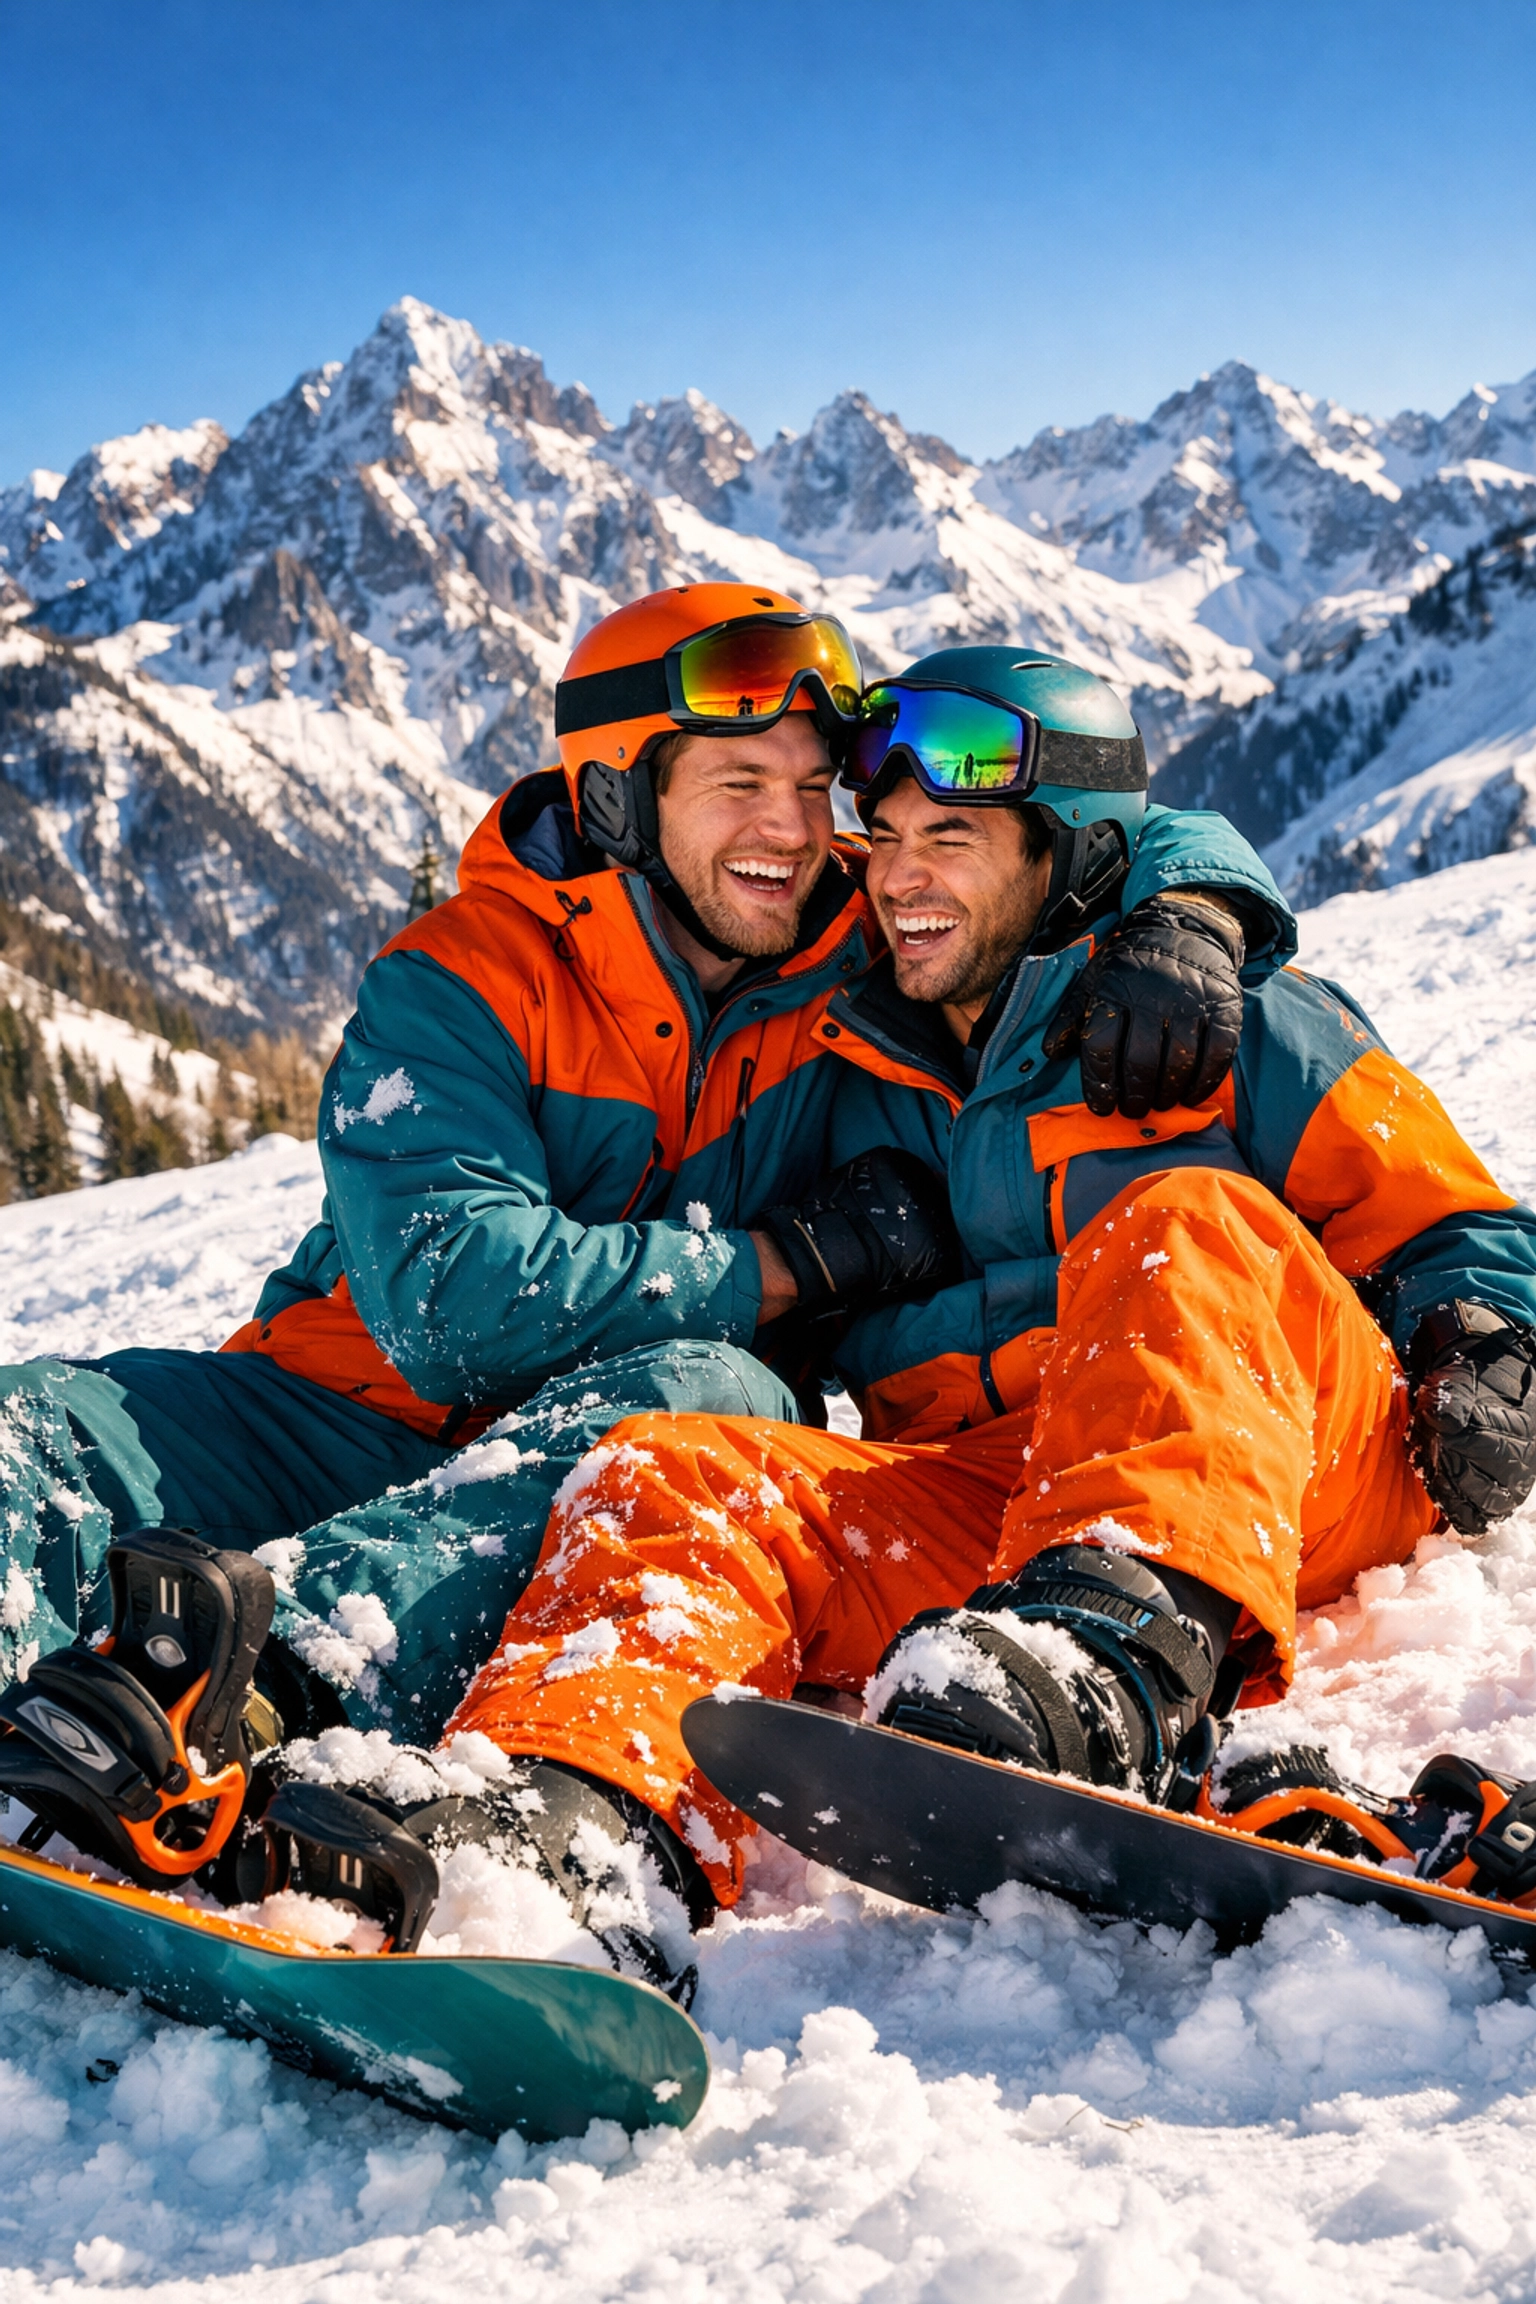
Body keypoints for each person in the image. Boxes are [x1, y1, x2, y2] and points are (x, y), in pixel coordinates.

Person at [0, 609, 1289, 1932]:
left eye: (809, 787)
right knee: (34, 1426)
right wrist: (787, 1261)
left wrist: (1191, 910)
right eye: (741, 785)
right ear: (618, 797)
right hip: (330, 1413)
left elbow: (1066, 824)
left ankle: (254, 1707)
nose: (793, 831)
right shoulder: (463, 974)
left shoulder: (856, 947)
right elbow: (452, 1302)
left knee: (700, 1388)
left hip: (602, 1471)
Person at [282, 642, 1536, 1990]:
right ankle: (578, 1824)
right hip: (996, 1509)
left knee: (1182, 1223)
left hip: (1287, 1469)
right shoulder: (847, 1065)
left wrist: (1487, 1351)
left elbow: (1463, 1227)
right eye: (880, 836)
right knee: (679, 1466)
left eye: (952, 837)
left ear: (1071, 852)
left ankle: (1105, 1659)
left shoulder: (1229, 1014)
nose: (896, 878)